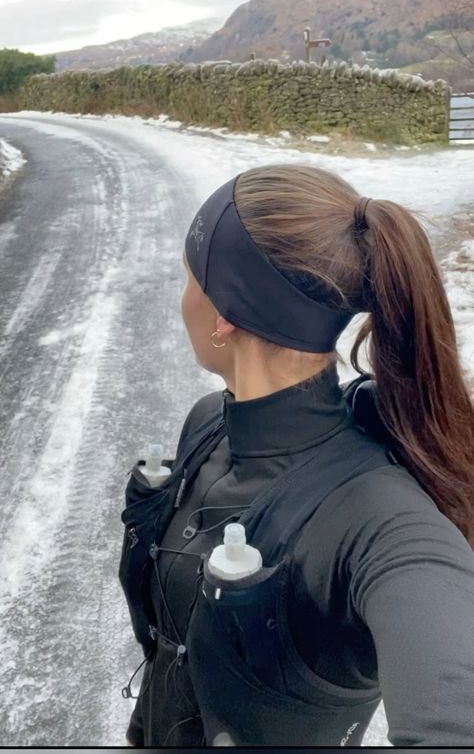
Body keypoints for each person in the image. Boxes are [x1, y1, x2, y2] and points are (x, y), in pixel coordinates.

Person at [120, 164, 474, 747]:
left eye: (188, 277)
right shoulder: (209, 421)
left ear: (224, 315)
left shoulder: (385, 525)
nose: (181, 296)